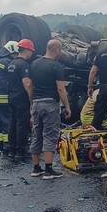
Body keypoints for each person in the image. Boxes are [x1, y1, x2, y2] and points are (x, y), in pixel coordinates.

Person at [28, 39, 72, 180]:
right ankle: (48, 170)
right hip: (50, 105)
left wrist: (31, 102)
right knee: (50, 135)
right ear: (57, 50)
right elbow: (60, 88)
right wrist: (67, 106)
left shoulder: (34, 64)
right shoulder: (56, 66)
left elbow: (30, 86)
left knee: (37, 134)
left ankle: (36, 168)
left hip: (36, 104)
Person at [6, 39, 35, 160]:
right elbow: (26, 83)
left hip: (11, 97)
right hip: (21, 99)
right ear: (27, 50)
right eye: (31, 52)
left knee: (12, 124)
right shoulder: (24, 65)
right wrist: (31, 100)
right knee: (22, 125)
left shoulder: (11, 64)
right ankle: (21, 150)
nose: (32, 54)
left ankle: (12, 149)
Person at [0, 41, 18, 152]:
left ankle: (1, 144)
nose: (17, 56)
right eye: (16, 53)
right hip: (5, 98)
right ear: (11, 51)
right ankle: (8, 145)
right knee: (8, 122)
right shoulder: (8, 63)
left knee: (0, 122)